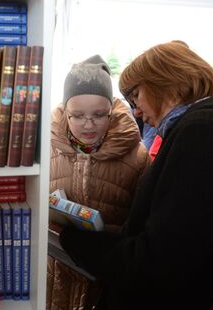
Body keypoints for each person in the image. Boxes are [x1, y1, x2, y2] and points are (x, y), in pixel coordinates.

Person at [58, 41, 213, 310]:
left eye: (135, 95)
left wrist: (75, 240)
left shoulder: (203, 132)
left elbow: (160, 261)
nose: (135, 111)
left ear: (162, 80)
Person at [47, 55, 150, 310]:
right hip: (52, 277)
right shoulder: (43, 151)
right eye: (77, 115)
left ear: (112, 111)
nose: (88, 124)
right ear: (64, 112)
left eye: (99, 115)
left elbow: (144, 227)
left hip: (105, 284)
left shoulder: (137, 158)